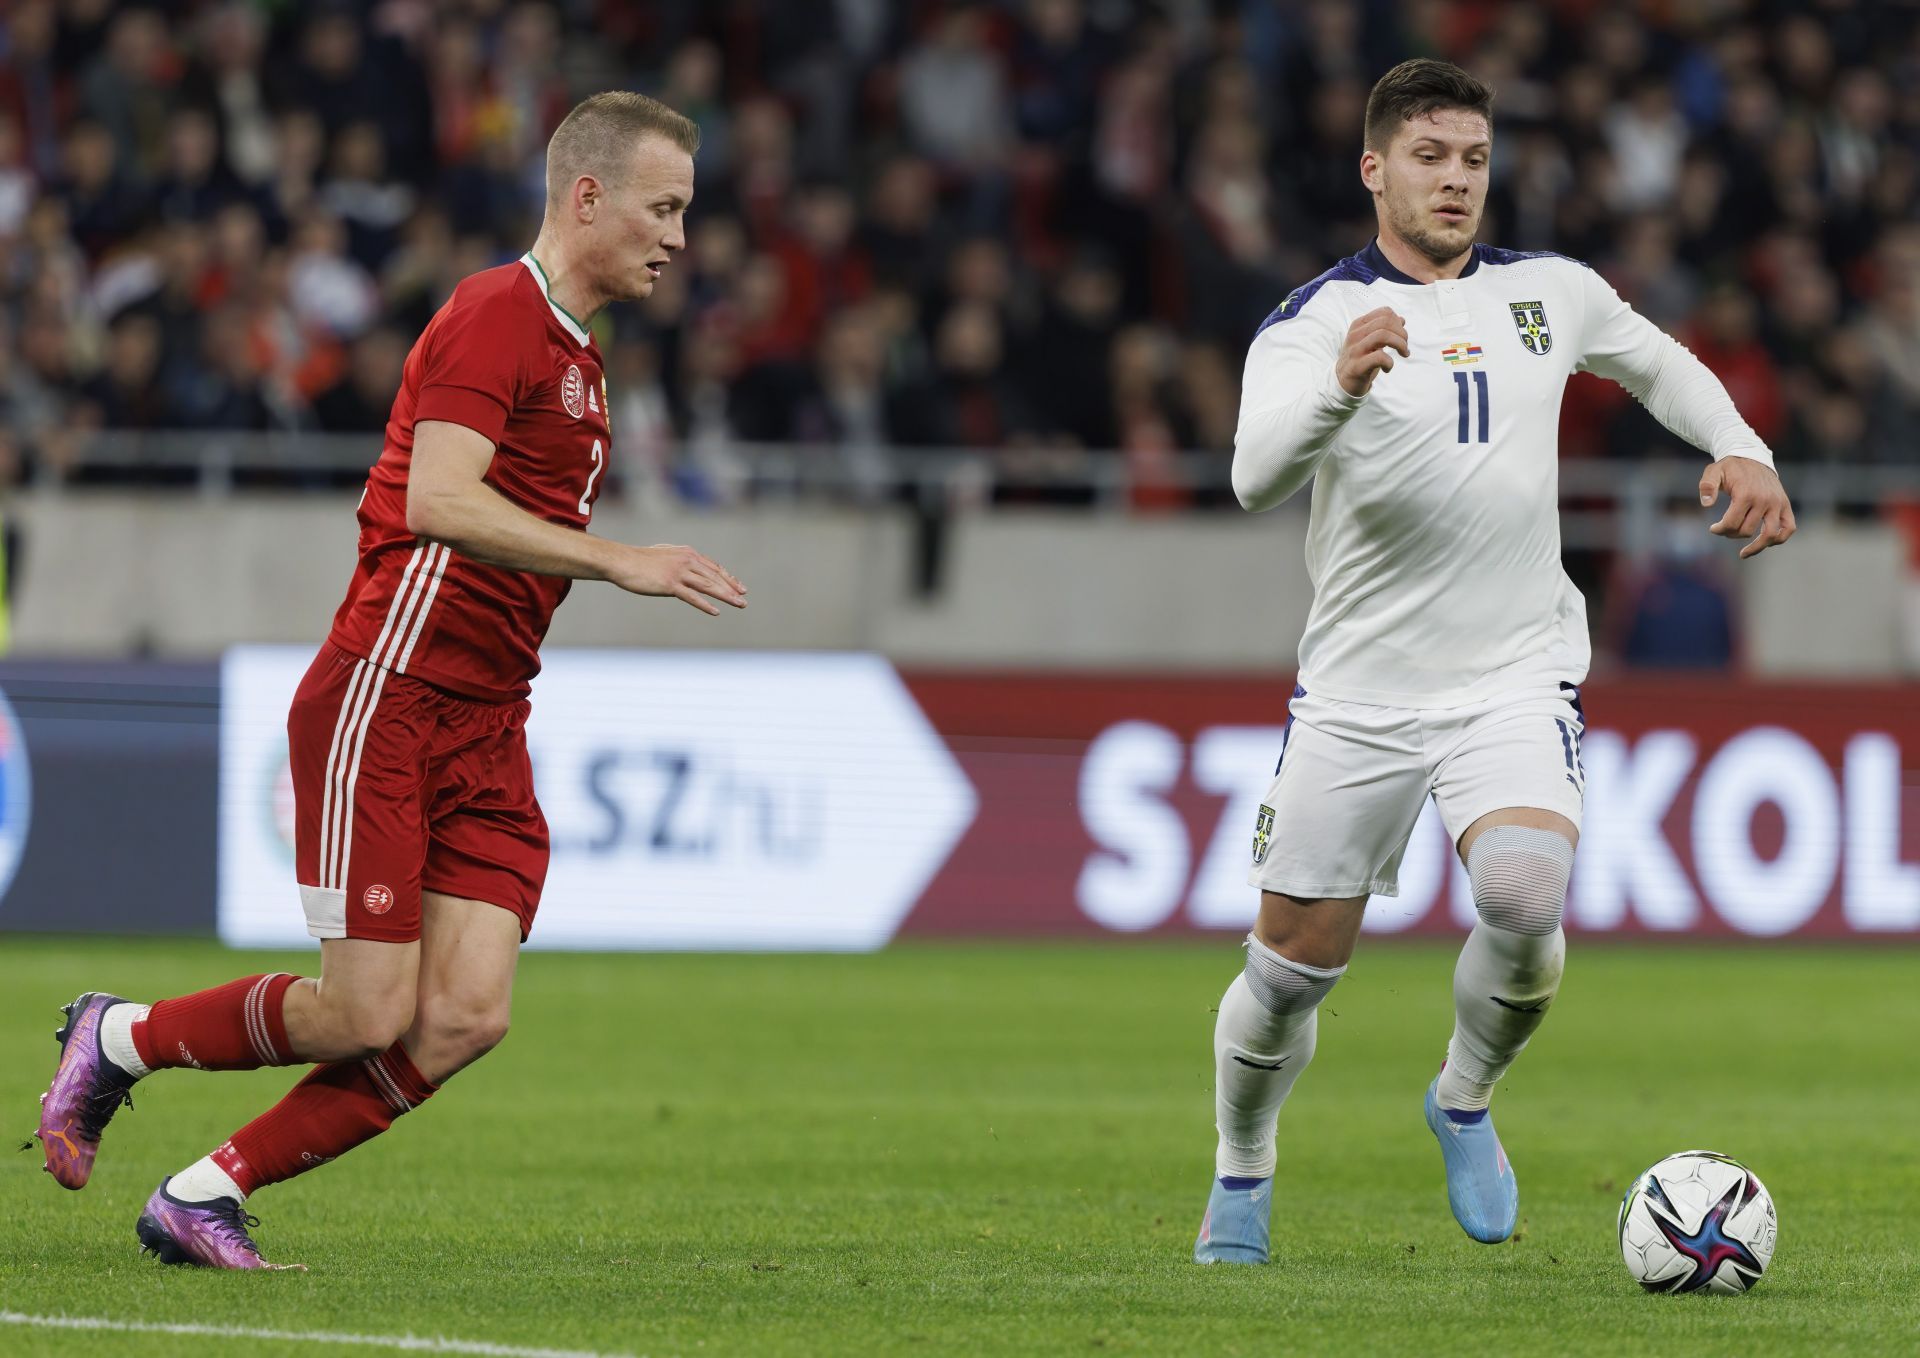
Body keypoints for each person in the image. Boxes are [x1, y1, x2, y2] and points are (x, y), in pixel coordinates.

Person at [34, 92, 745, 1270]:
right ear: (588, 196)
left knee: (466, 1012)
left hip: (488, 721)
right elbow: (439, 501)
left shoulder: (582, 361)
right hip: (390, 691)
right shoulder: (492, 314)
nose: (679, 236)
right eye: (663, 207)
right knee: (364, 1007)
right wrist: (628, 561)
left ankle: (202, 1191)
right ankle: (119, 1038)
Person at [1194, 60, 1794, 1265]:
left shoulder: (1551, 292)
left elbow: (1660, 362)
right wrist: (1340, 391)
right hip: (1360, 692)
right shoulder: (1317, 319)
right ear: (1375, 169)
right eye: (1429, 157)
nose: (1456, 180)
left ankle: (1462, 1095)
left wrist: (1743, 443)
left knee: (1525, 894)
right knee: (1290, 975)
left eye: (1472, 158)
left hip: (1514, 673)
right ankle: (1243, 1168)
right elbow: (1253, 472)